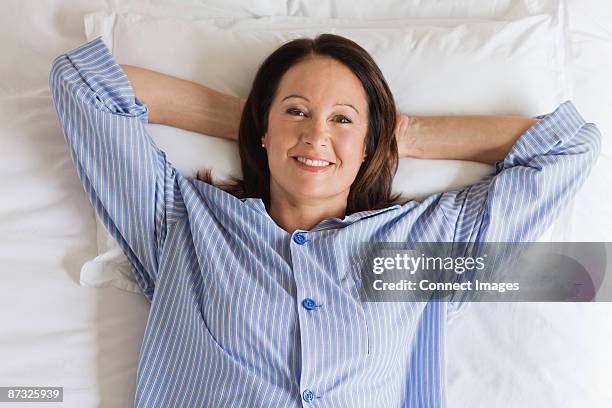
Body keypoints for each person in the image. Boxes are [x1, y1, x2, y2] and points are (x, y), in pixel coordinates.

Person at [49, 34, 600, 407]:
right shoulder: (186, 224)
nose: (316, 136)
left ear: (368, 144)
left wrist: (399, 134)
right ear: (263, 127)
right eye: (295, 110)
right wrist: (253, 120)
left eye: (342, 119)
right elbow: (84, 83)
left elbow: (569, 148)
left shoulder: (422, 245)